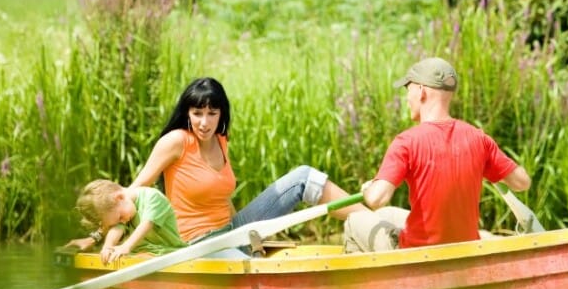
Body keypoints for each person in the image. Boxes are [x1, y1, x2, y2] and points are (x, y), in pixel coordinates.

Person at [68, 77, 365, 251]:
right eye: (197, 113)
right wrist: (96, 238)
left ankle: (378, 222)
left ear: (222, 114)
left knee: (303, 177)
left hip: (231, 231)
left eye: (212, 113)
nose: (204, 122)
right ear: (187, 113)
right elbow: (132, 193)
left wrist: (250, 237)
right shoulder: (176, 141)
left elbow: (224, 198)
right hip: (199, 246)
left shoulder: (222, 142)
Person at [343, 57, 532, 252]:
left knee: (353, 221)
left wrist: (368, 189)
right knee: (386, 213)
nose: (407, 100)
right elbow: (522, 182)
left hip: (419, 254)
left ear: (421, 92)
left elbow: (376, 199)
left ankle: (374, 282)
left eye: (408, 91)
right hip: (465, 250)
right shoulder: (479, 139)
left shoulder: (406, 142)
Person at [74, 179, 185, 264]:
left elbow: (147, 224)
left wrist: (126, 246)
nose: (123, 220)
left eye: (120, 217)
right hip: (142, 255)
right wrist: (108, 246)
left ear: (120, 198)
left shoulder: (153, 198)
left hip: (170, 254)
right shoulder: (124, 208)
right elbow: (117, 227)